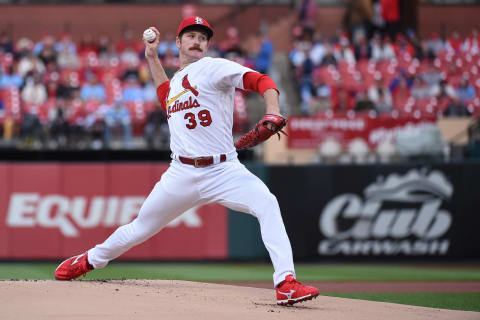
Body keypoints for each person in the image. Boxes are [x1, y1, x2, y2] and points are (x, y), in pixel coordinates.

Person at [54, 16, 319, 306]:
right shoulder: (177, 82)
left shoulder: (213, 67)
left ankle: (286, 283)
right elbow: (164, 94)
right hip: (180, 172)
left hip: (223, 169)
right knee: (140, 228)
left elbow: (262, 80)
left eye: (202, 37)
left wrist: (272, 109)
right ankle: (90, 259)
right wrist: (151, 56)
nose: (197, 41)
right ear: (179, 42)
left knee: (267, 203)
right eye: (191, 35)